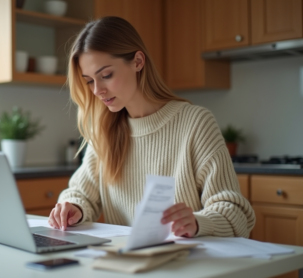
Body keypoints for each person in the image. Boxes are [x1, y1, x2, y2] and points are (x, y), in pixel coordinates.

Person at [48, 16, 255, 238]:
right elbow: (81, 193)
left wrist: (198, 222)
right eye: (89, 80)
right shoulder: (104, 131)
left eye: (106, 75)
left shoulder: (195, 123)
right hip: (125, 266)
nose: (97, 90)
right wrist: (73, 208)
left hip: (185, 264)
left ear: (138, 61)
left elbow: (236, 213)